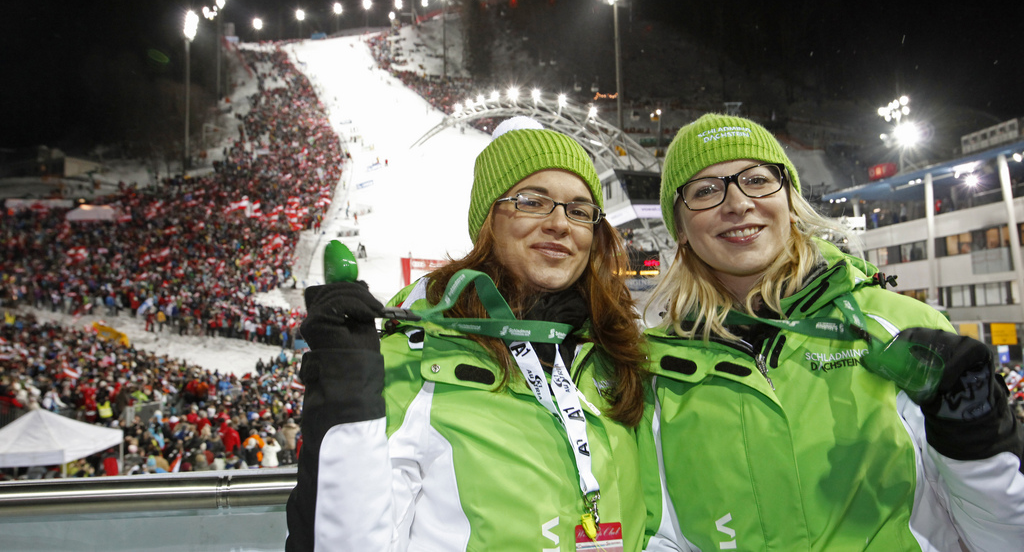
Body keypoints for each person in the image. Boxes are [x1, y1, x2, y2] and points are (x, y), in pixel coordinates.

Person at [641, 113, 1024, 551]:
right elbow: (661, 538)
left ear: (790, 199)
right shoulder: (654, 370)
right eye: (705, 191)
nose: (737, 203)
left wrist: (979, 442)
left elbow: (1004, 538)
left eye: (757, 179)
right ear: (681, 229)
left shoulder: (896, 327)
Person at [286, 118, 648, 550]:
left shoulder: (617, 351)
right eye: (532, 202)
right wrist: (344, 386)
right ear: (487, 222)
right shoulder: (417, 359)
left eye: (579, 210)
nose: (560, 224)